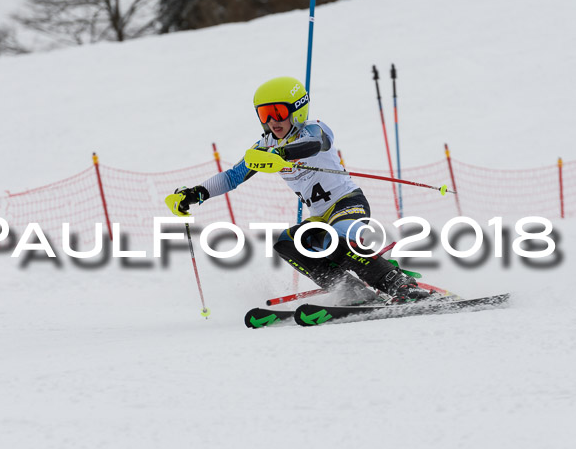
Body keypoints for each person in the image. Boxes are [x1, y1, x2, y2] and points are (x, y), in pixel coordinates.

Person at [166, 76, 430, 304]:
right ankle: (349, 292)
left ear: (298, 110)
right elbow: (233, 176)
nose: (272, 121)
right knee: (285, 242)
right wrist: (196, 193)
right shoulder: (264, 147)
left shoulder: (313, 129)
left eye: (278, 112)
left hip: (347, 204)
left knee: (332, 238)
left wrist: (283, 153)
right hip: (319, 216)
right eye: (264, 114)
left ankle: (398, 283)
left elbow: (317, 144)